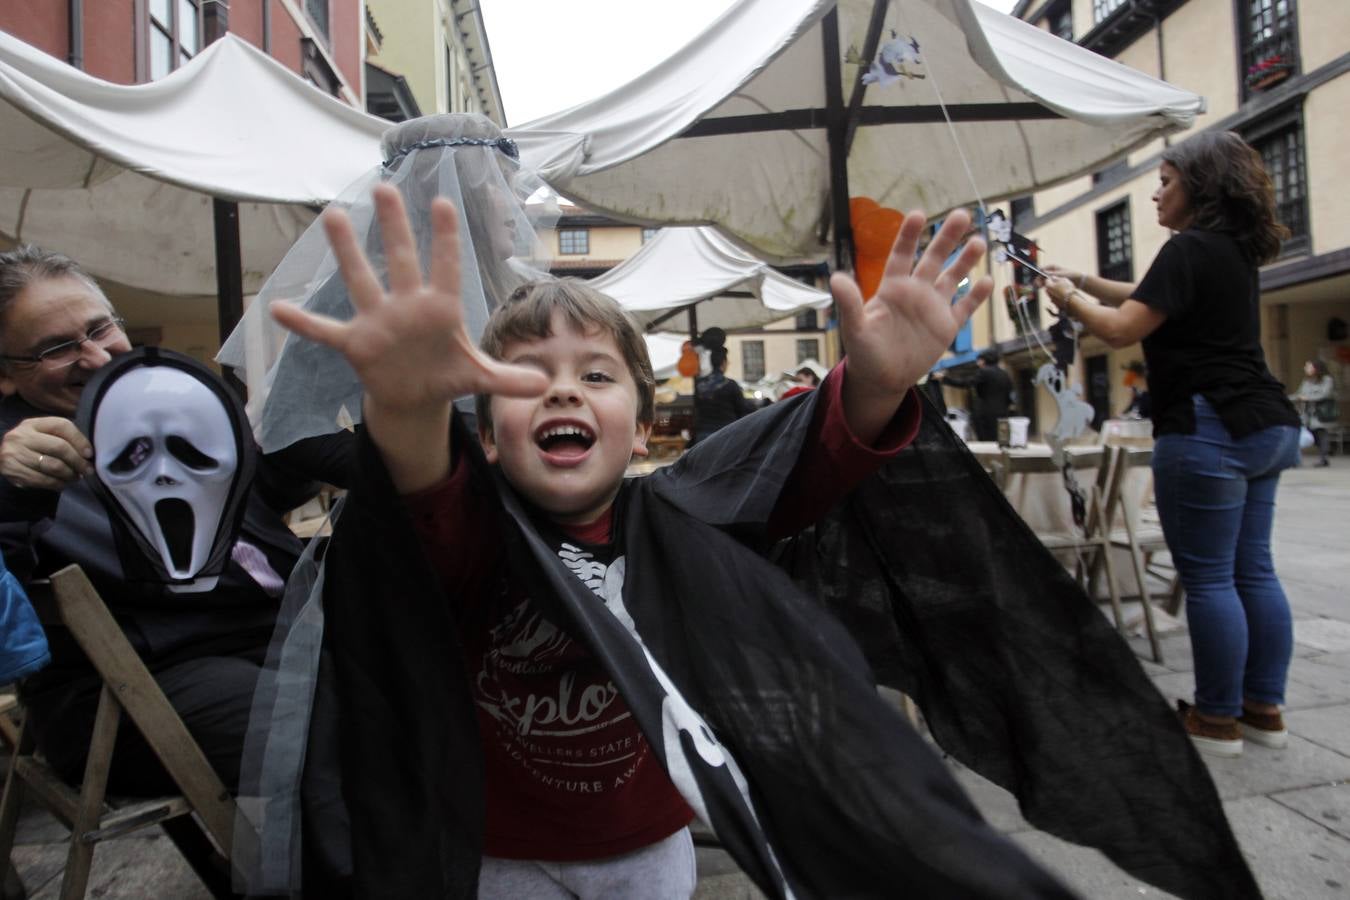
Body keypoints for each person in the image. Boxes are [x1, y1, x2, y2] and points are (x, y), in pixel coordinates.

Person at [267, 185, 1102, 898]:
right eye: (526, 378)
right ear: (485, 439)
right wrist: (408, 409)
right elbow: (420, 506)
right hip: (499, 853)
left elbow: (794, 463)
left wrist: (878, 384)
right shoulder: (472, 530)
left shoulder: (683, 517)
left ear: (640, 429)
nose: (563, 389)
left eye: (595, 375)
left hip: (650, 848)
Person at [0, 245, 351, 795]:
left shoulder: (156, 401)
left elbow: (253, 504)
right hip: (129, 693)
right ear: (5, 374)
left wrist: (302, 420)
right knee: (335, 736)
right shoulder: (16, 453)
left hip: (279, 640)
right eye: (56, 348)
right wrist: (8, 486)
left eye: (99, 329)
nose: (93, 357)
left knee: (425, 687)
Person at [1039, 131, 1302, 758]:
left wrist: (1067, 298)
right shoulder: (1230, 251)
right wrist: (1083, 278)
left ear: (1199, 185)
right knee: (1253, 571)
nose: (1157, 192)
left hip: (1209, 425)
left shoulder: (1186, 249)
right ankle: (1263, 709)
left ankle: (1215, 720)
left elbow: (1124, 327)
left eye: (1166, 180)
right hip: (1267, 421)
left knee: (1209, 580)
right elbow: (1148, 298)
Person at [931, 348, 1013, 440]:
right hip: (1002, 412)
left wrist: (944, 379)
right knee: (998, 439)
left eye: (979, 360)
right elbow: (1009, 395)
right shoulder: (1005, 374)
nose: (977, 362)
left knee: (985, 440)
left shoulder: (984, 372)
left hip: (985, 413)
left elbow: (966, 383)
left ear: (984, 360)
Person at [691, 343, 757, 443]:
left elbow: (696, 408)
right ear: (723, 363)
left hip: (703, 435)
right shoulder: (730, 384)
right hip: (726, 434)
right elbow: (742, 408)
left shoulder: (700, 385)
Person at [1291, 358, 1337, 466]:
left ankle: (1323, 457)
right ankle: (1325, 451)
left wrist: (1307, 398)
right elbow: (1299, 394)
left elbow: (1324, 394)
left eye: (1308, 366)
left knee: (1321, 433)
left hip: (1321, 412)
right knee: (1310, 435)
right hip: (1308, 414)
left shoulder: (1327, 379)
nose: (1305, 368)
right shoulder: (1307, 381)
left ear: (1316, 368)